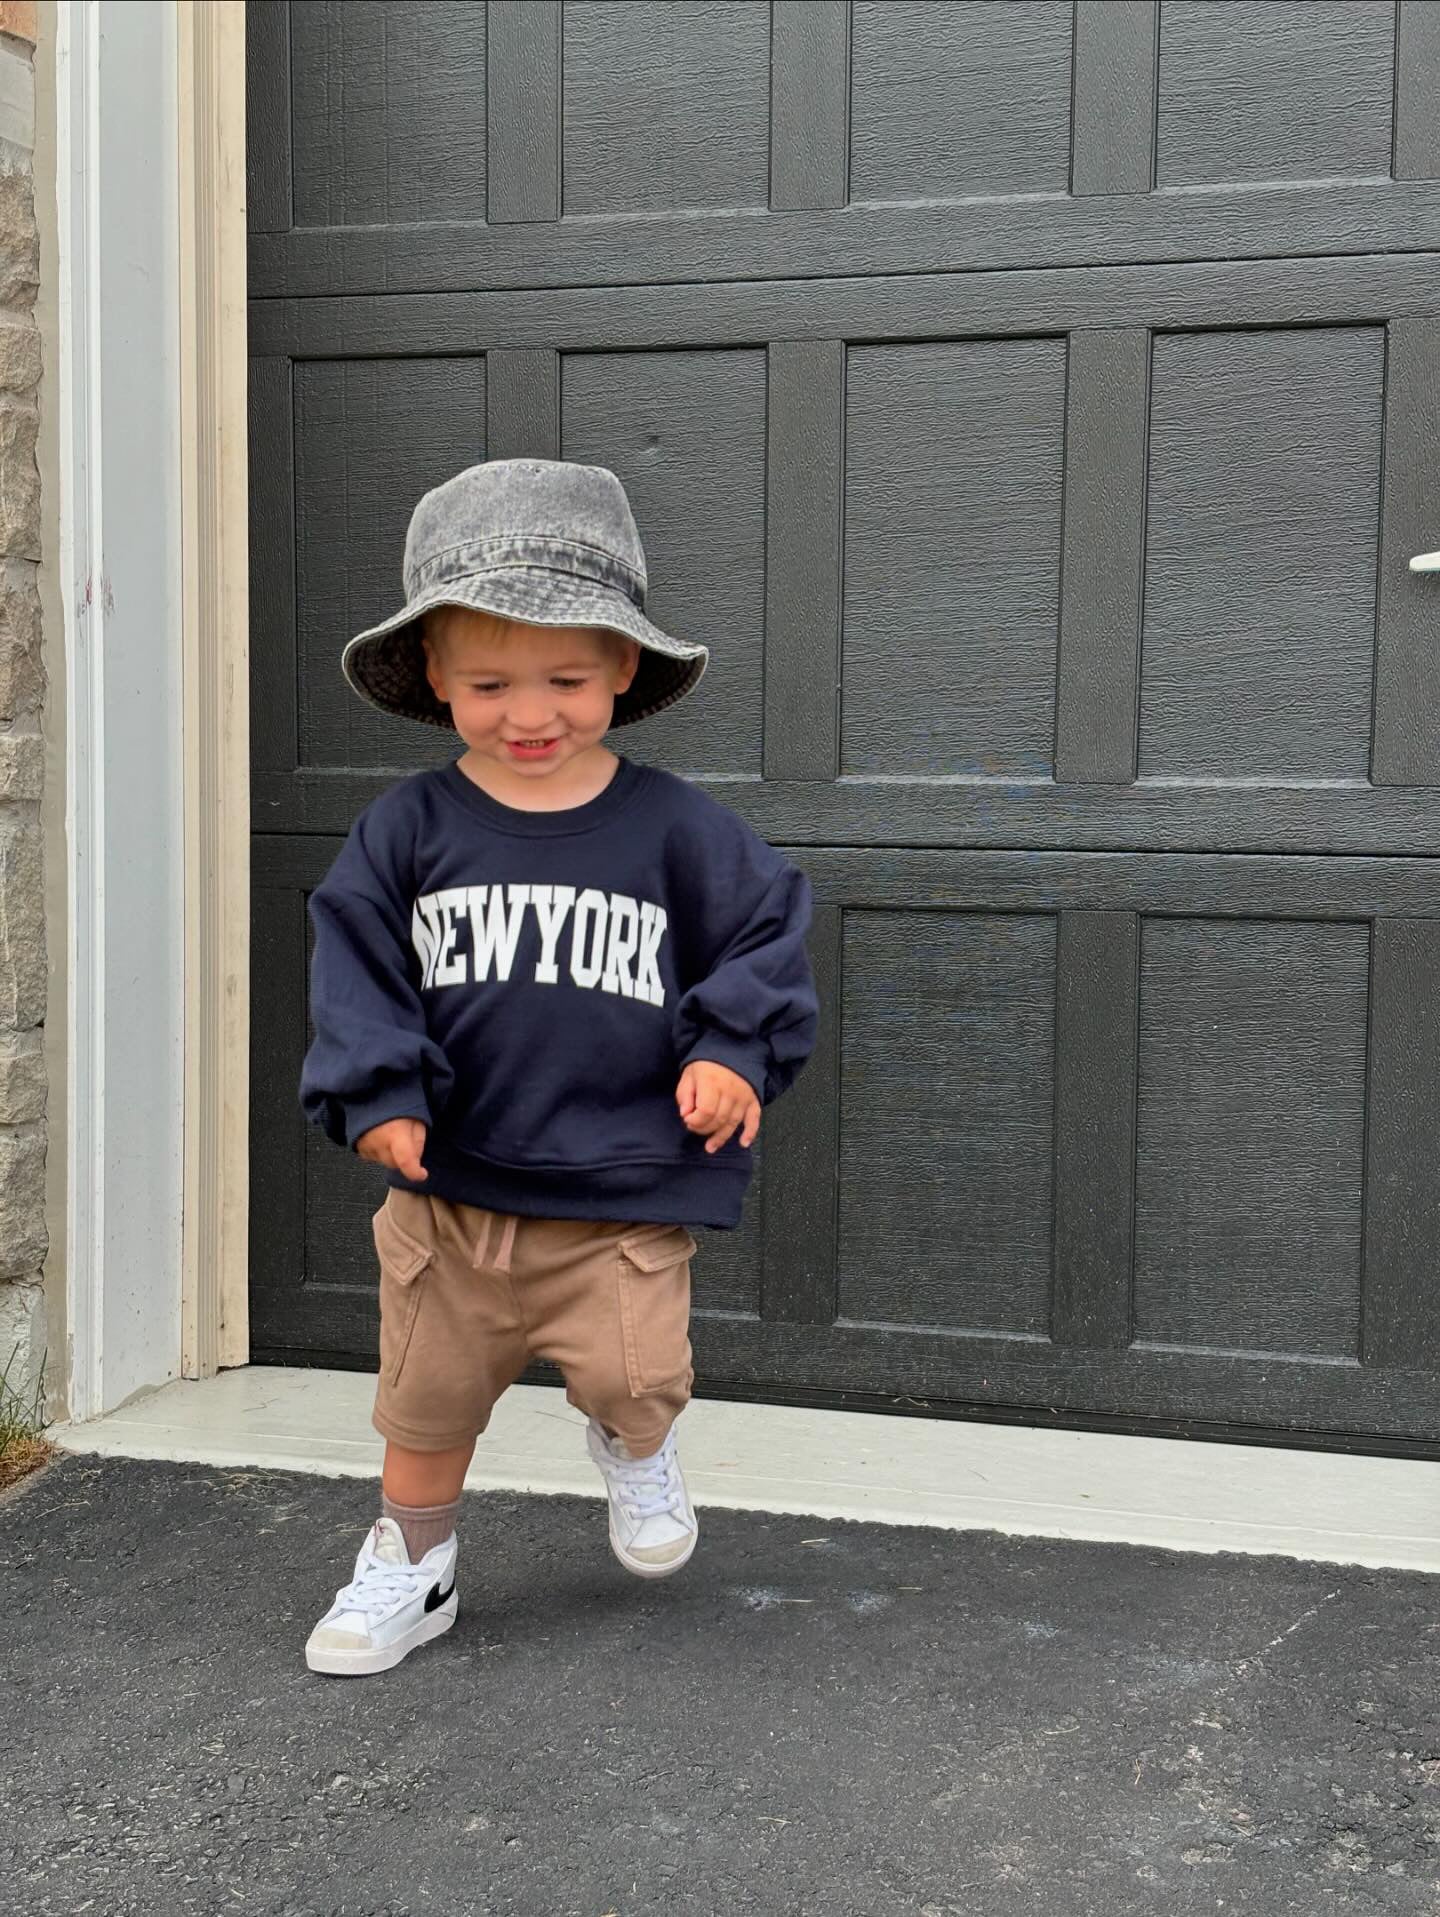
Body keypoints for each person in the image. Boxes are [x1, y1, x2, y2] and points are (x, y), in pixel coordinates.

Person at [297, 458, 818, 1676]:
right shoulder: (406, 832)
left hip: (620, 1195)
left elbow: (765, 934)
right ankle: (413, 1563)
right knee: (424, 1405)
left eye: (566, 680)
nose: (529, 714)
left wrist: (732, 1051)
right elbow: (355, 962)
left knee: (639, 1379)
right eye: (489, 684)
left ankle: (637, 1450)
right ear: (435, 674)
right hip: (452, 1198)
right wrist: (377, 1091)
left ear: (622, 667)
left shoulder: (680, 830)